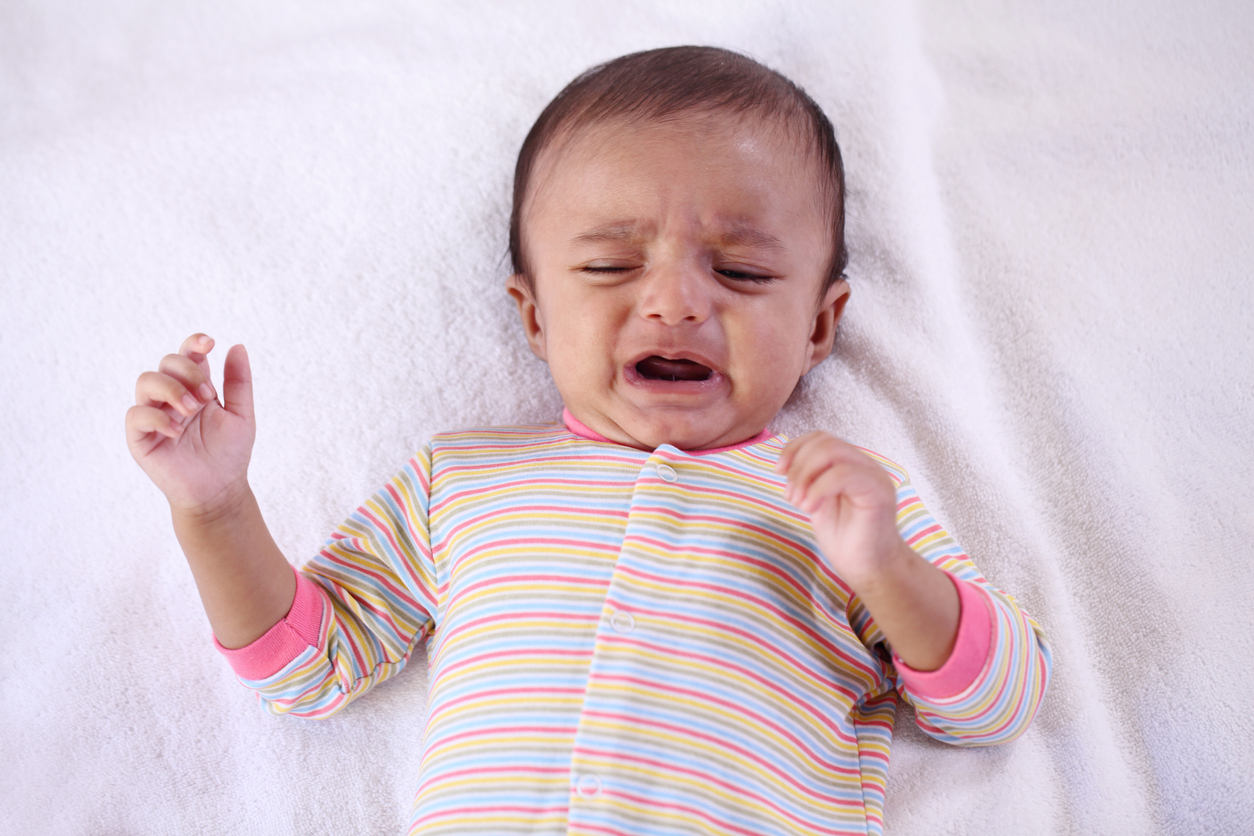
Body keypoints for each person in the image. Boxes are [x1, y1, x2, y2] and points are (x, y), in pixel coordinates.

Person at [125, 46, 1050, 836]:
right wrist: (214, 510)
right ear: (533, 316)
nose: (676, 302)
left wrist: (887, 568)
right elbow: (308, 669)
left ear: (819, 325)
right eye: (611, 265)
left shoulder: (848, 501)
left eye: (741, 270)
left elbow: (998, 702)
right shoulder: (465, 479)